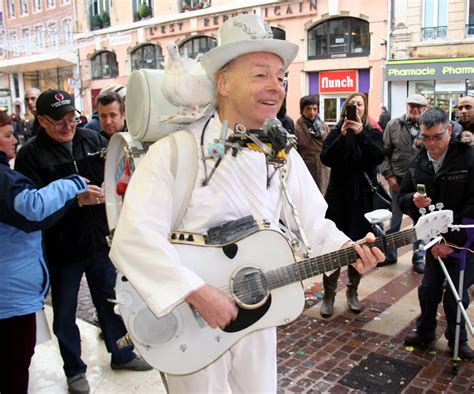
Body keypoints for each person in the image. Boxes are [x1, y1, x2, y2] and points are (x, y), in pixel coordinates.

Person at [109, 14, 384, 393]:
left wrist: (345, 248)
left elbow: (312, 223)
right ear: (222, 82)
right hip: (191, 319)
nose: (276, 87)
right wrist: (196, 292)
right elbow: (133, 237)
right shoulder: (175, 152)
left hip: (257, 313)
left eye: (281, 77)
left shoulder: (278, 153)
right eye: (260, 75)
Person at [14, 89, 151, 394]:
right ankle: (75, 370)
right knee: (64, 314)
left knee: (112, 303)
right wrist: (75, 201)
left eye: (72, 117)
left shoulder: (92, 140)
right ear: (42, 121)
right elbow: (33, 211)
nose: (69, 125)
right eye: (60, 121)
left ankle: (122, 353)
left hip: (100, 241)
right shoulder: (30, 156)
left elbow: (115, 173)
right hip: (62, 249)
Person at [0, 112, 88, 394]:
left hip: (13, 293)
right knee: (14, 367)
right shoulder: (5, 176)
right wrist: (72, 184)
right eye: (6, 134)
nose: (14, 138)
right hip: (10, 297)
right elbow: (33, 211)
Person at [399, 107, 474, 360]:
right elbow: (403, 197)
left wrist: (454, 244)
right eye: (425, 137)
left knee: (456, 294)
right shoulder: (418, 161)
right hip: (433, 241)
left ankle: (458, 340)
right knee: (429, 288)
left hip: (465, 241)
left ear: (449, 130)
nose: (431, 144)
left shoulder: (467, 157)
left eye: (437, 137)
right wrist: (413, 201)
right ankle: (425, 330)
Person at [319, 93, 384, 317]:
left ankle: (352, 292)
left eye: (359, 104)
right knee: (332, 247)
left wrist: (361, 134)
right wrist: (344, 134)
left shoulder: (373, 132)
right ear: (345, 108)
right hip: (337, 200)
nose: (355, 107)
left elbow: (377, 157)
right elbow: (325, 158)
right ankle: (328, 295)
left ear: (365, 109)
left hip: (362, 201)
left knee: (359, 246)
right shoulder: (336, 131)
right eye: (351, 104)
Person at [380, 94, 428, 273]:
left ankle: (419, 257)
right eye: (412, 105)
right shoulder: (394, 125)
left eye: (419, 106)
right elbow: (384, 153)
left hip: (421, 183)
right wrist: (389, 176)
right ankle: (390, 254)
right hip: (398, 181)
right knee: (395, 221)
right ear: (407, 106)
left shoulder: (428, 126)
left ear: (425, 108)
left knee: (420, 221)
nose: (415, 109)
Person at [294, 94, 330, 195]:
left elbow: (330, 145)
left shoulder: (323, 126)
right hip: (307, 167)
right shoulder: (297, 128)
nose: (312, 112)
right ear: (302, 110)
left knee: (325, 195)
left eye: (315, 109)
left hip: (324, 167)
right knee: (310, 195)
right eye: (308, 109)